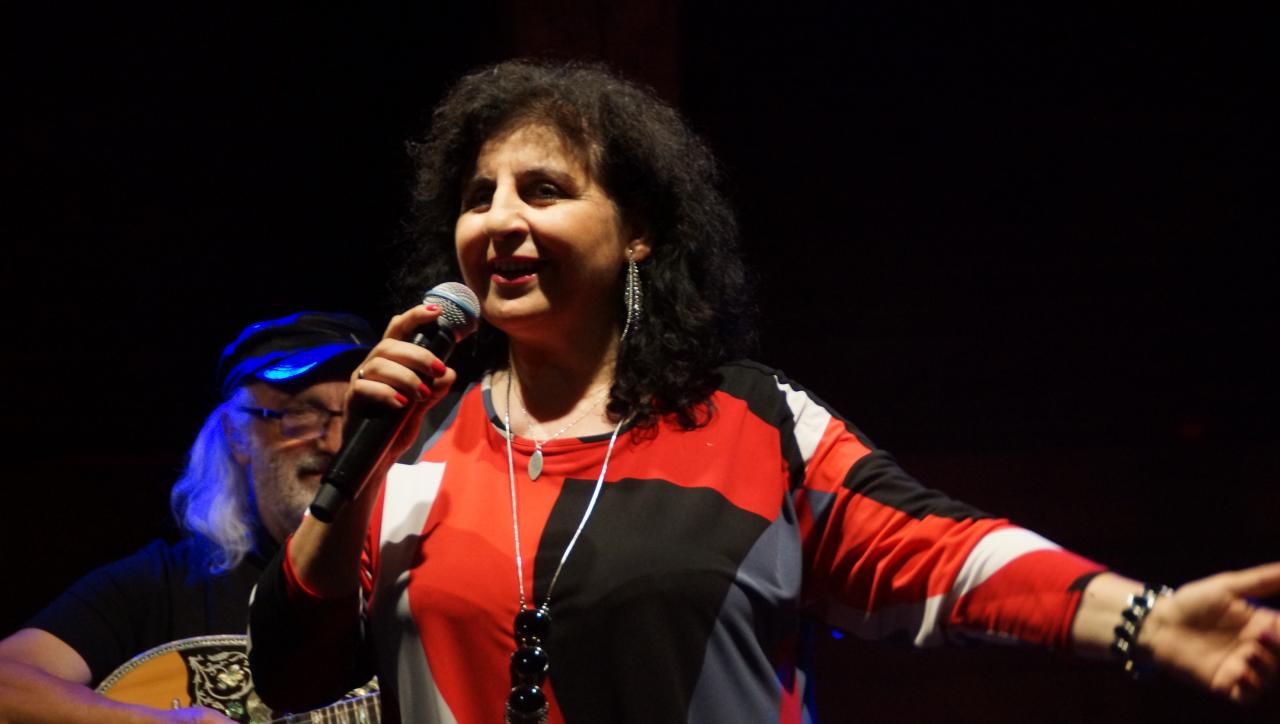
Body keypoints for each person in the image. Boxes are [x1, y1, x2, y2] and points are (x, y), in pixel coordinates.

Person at [247, 61, 1280, 723]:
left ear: (638, 233)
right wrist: (359, 467)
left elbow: (943, 556)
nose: (499, 220)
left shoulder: (747, 424)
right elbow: (289, 674)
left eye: (544, 189)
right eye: (479, 197)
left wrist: (1144, 619)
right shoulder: (418, 440)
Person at [0, 311, 375, 723]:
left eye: (359, 418)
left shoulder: (409, 572)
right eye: (301, 413)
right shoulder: (159, 586)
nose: (337, 444)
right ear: (237, 435)